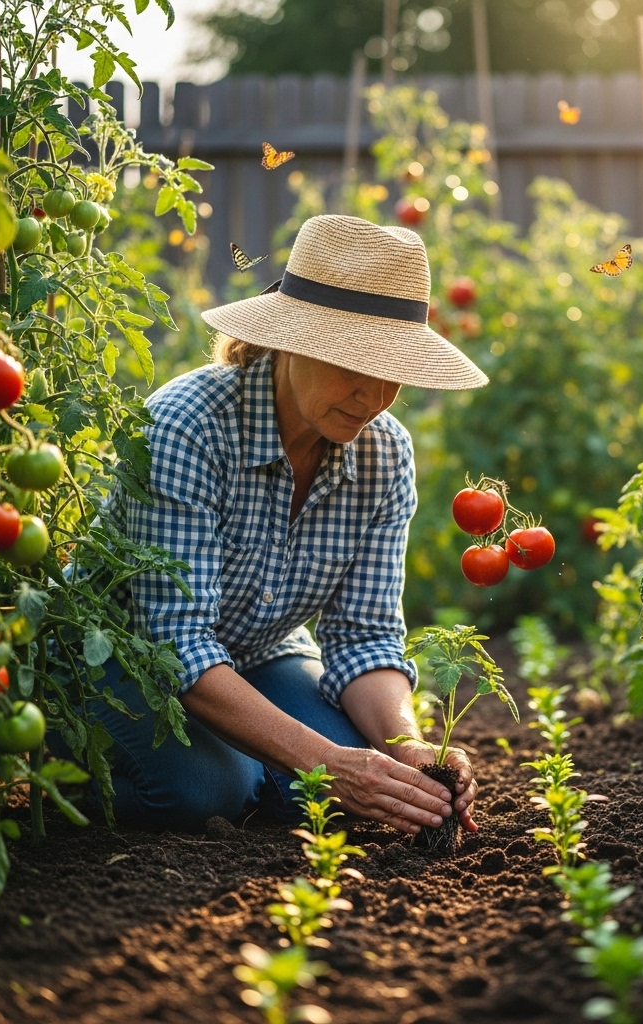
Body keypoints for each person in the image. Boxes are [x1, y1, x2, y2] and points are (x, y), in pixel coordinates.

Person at [86, 214, 489, 834]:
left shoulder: (386, 452)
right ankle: (56, 775)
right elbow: (176, 645)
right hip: (121, 653)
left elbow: (365, 636)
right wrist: (326, 759)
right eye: (352, 365)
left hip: (259, 650)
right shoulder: (187, 426)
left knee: (324, 801)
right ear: (290, 341)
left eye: (393, 369)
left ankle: (252, 772)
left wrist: (405, 747)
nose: (374, 395)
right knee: (212, 791)